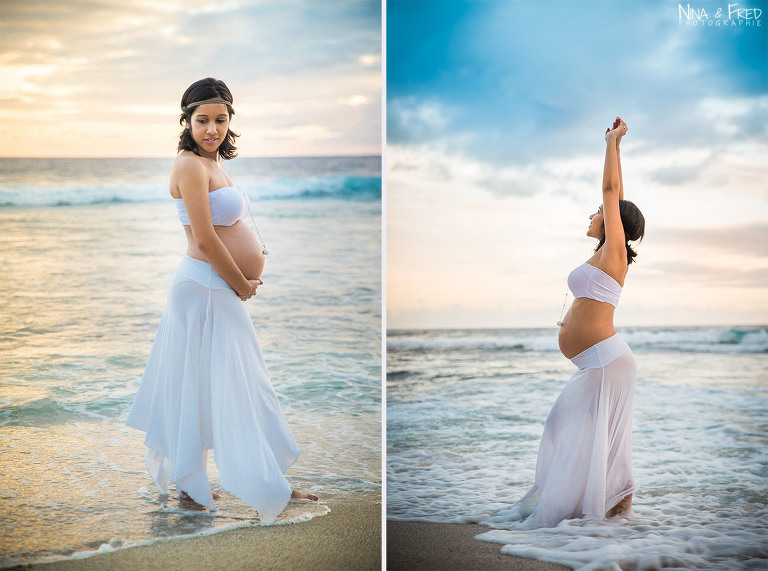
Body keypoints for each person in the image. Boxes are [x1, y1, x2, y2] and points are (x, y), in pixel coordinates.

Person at [126, 77, 317, 524]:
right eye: (202, 120)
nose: (211, 128)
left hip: (214, 286)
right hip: (205, 286)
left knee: (240, 385)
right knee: (231, 386)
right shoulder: (190, 165)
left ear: (230, 120)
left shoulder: (213, 163)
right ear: (186, 121)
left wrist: (247, 271)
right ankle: (229, 484)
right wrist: (243, 285)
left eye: (220, 119)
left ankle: (256, 481)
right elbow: (208, 240)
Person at [490, 117, 645, 529]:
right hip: (601, 360)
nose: (594, 213)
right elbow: (619, 197)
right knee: (585, 435)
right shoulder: (604, 253)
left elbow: (612, 194)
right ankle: (615, 511)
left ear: (615, 225)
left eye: (600, 212)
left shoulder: (615, 252)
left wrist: (611, 141)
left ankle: (613, 509)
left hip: (605, 360)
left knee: (569, 427)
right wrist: (616, 150)